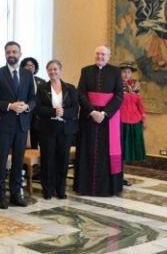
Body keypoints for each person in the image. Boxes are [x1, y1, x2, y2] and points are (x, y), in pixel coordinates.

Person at [0, 41, 35, 208]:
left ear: (20, 54)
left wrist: (27, 107)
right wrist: (9, 106)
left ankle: (16, 194)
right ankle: (0, 195)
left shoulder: (27, 74)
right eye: (8, 52)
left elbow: (33, 98)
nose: (11, 55)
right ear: (5, 54)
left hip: (22, 124)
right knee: (1, 161)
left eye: (14, 52)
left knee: (18, 161)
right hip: (4, 125)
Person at [74, 46, 124, 197]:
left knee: (106, 153)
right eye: (98, 54)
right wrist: (92, 112)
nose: (100, 56)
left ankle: (108, 188)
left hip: (109, 120)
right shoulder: (86, 71)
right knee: (87, 150)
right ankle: (84, 186)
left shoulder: (115, 72)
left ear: (109, 56)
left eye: (103, 54)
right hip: (89, 118)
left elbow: (119, 96)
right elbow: (80, 94)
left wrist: (104, 113)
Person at [35, 60, 78, 200]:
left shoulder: (70, 88)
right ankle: (47, 190)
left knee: (63, 160)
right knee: (48, 160)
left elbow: (75, 109)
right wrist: (53, 112)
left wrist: (64, 112)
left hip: (65, 129)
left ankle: (60, 189)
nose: (52, 72)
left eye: (55, 69)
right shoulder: (42, 88)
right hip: (47, 129)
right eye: (50, 70)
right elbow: (38, 108)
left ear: (60, 70)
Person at [120, 62, 147, 179]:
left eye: (129, 72)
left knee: (127, 152)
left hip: (135, 121)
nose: (126, 74)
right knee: (120, 151)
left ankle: (122, 176)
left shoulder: (135, 84)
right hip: (121, 121)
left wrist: (144, 118)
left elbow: (139, 103)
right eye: (124, 72)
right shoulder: (116, 84)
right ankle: (118, 176)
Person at [21, 57, 47, 149]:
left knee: (36, 133)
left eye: (32, 65)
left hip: (38, 113)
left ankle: (34, 150)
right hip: (25, 110)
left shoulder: (41, 81)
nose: (30, 67)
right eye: (27, 65)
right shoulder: (20, 80)